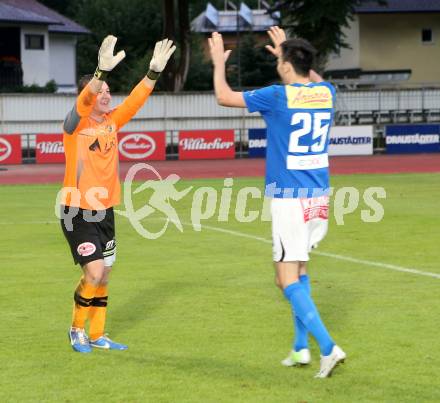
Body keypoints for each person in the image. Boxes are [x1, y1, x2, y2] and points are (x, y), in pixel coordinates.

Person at [208, 26, 346, 378]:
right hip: (319, 196)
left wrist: (217, 63)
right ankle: (301, 349)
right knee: (296, 272)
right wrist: (289, 50)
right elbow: (311, 75)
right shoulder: (326, 92)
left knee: (286, 280)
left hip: (290, 199)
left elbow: (224, 96)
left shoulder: (278, 96)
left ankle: (328, 348)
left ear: (285, 65)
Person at [60, 35, 176, 353]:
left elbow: (136, 101)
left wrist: (152, 73)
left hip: (106, 211)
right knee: (94, 271)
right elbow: (83, 103)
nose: (107, 95)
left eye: (109, 91)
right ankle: (76, 329)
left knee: (105, 276)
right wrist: (100, 73)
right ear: (90, 96)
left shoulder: (112, 123)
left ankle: (97, 335)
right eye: (102, 92)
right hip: (76, 211)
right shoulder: (74, 125)